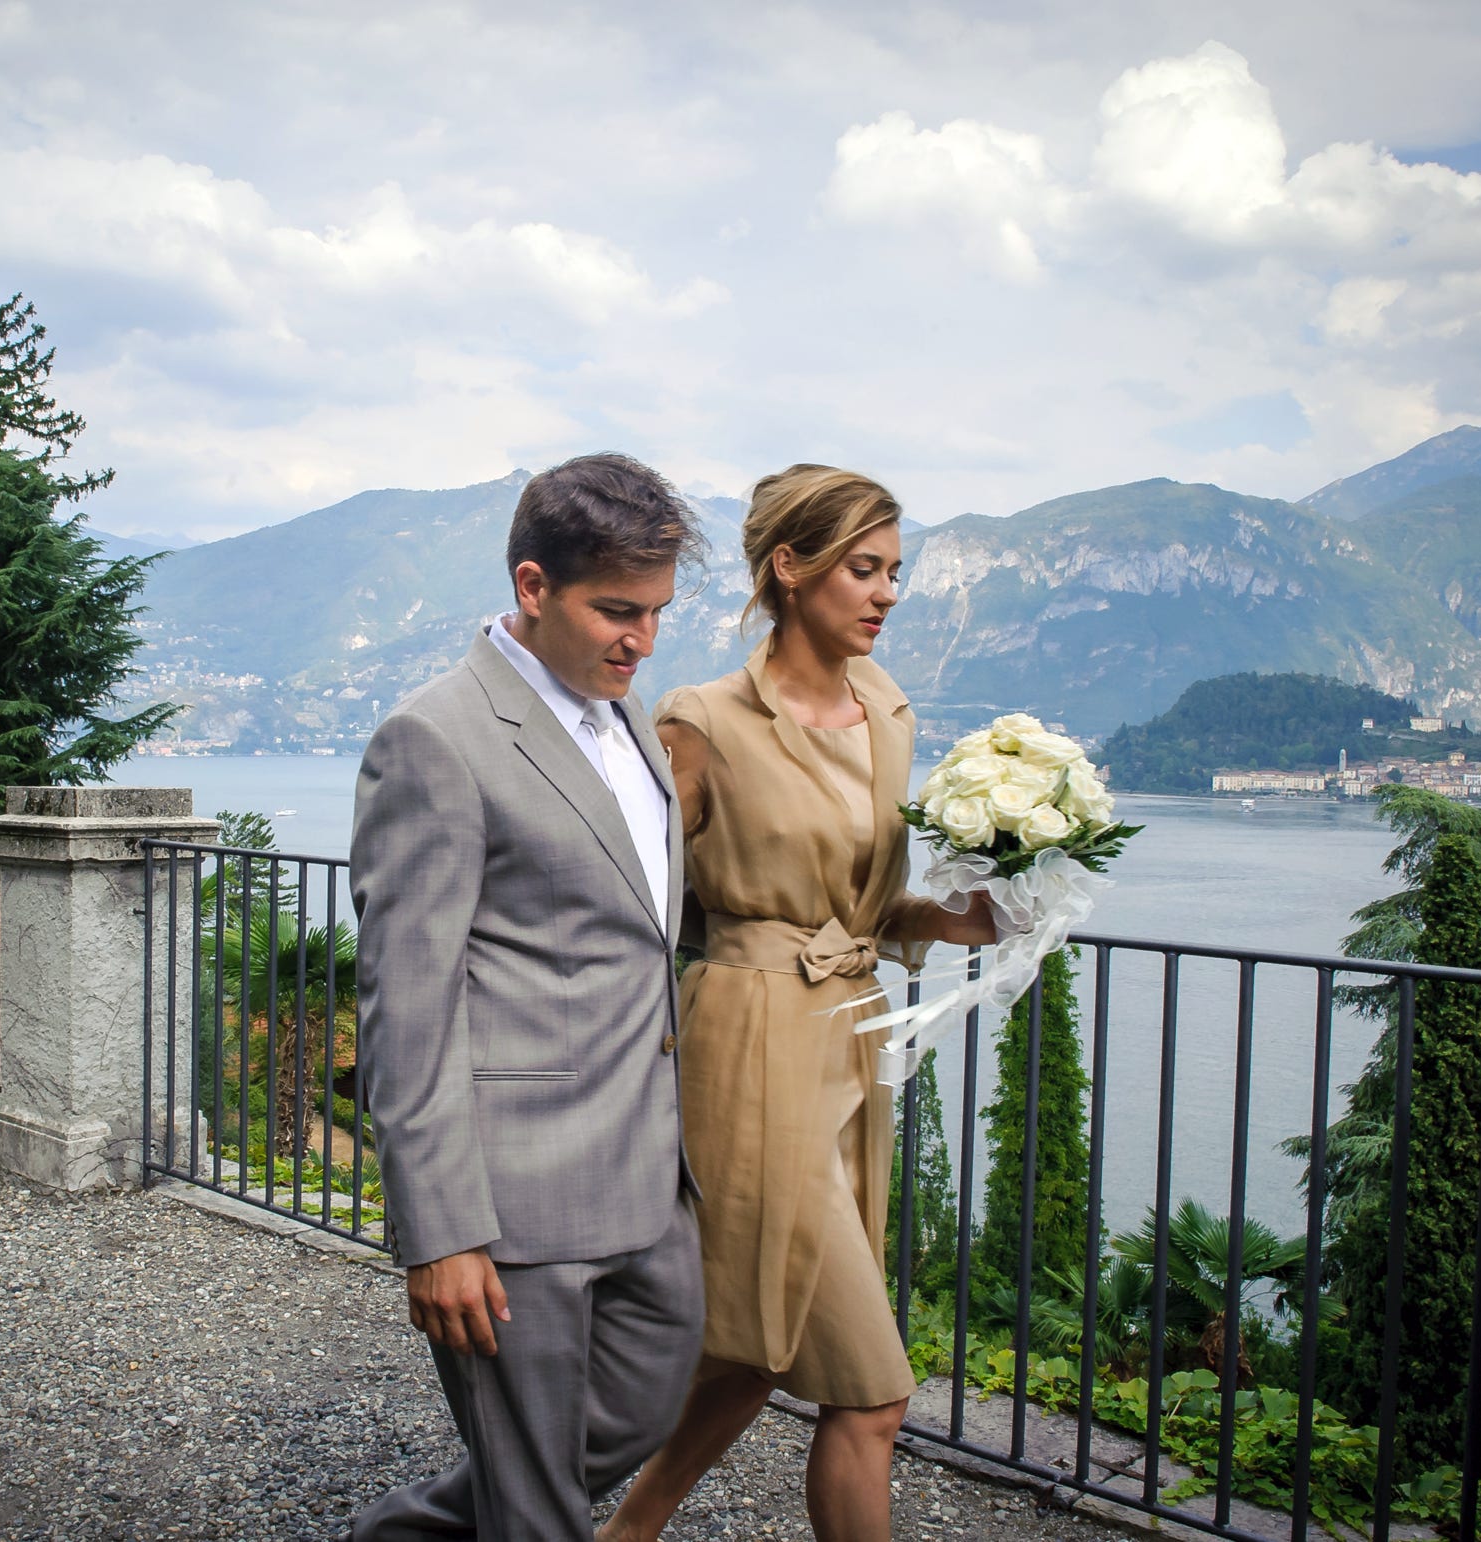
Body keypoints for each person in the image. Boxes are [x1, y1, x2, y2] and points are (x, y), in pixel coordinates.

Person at [600, 465, 997, 1542]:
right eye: (863, 569)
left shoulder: (885, 708)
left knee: (767, 1334)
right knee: (868, 1387)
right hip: (746, 1039)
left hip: (849, 1039)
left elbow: (862, 906)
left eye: (893, 572)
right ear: (791, 567)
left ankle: (627, 1529)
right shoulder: (703, 720)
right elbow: (626, 888)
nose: (886, 594)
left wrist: (948, 922)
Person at [349, 453, 709, 1541]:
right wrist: (439, 1230)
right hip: (510, 1199)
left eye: (654, 614)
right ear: (532, 586)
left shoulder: (628, 719)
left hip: (644, 1176)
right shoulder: (435, 739)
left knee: (637, 1408)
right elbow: (403, 1007)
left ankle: (406, 1535)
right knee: (541, 1505)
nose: (638, 641)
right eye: (614, 611)